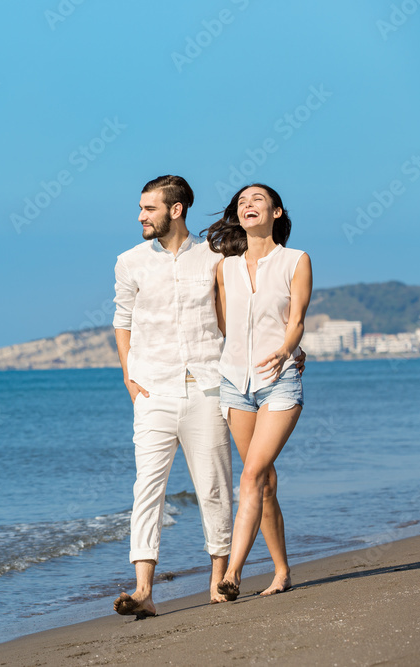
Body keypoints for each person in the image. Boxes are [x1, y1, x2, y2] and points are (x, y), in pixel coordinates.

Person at [112, 175, 234, 618]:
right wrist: (129, 377)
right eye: (142, 208)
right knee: (148, 488)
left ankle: (219, 577)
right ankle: (143, 590)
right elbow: (122, 320)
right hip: (152, 389)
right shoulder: (129, 262)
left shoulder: (215, 256)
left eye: (149, 208)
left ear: (175, 210)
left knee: (214, 485)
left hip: (206, 385)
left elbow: (232, 316)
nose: (141, 216)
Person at [208, 183, 312, 601]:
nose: (248, 205)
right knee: (264, 480)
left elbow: (296, 320)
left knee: (250, 474)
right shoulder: (224, 267)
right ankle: (282, 570)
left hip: (280, 380)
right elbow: (223, 325)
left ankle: (231, 574)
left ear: (277, 212)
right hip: (234, 384)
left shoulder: (295, 261)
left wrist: (289, 349)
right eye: (242, 202)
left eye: (258, 200)